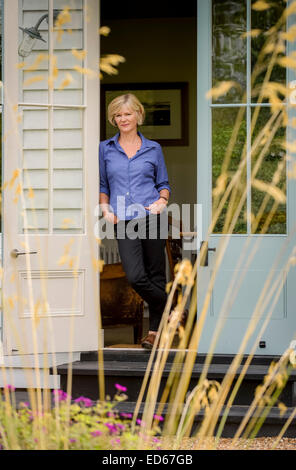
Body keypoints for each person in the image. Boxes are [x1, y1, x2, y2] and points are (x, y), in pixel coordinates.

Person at [99, 93, 171, 349]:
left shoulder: (153, 149)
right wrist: (106, 208)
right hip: (124, 220)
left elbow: (163, 184)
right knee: (136, 276)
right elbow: (103, 184)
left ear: (138, 115)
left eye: (127, 114)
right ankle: (171, 305)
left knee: (155, 274)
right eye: (117, 115)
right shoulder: (105, 148)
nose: (122, 119)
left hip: (152, 217)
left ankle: (154, 333)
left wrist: (162, 201)